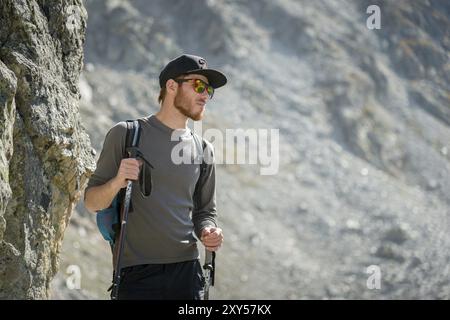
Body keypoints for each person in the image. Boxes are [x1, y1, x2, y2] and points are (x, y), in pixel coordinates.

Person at [84, 54, 226, 300]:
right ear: (172, 86)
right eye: (199, 86)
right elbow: (92, 202)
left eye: (209, 90)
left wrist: (208, 231)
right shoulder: (126, 135)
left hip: (188, 274)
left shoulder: (204, 150)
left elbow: (205, 212)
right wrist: (118, 181)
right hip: (136, 277)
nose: (205, 95)